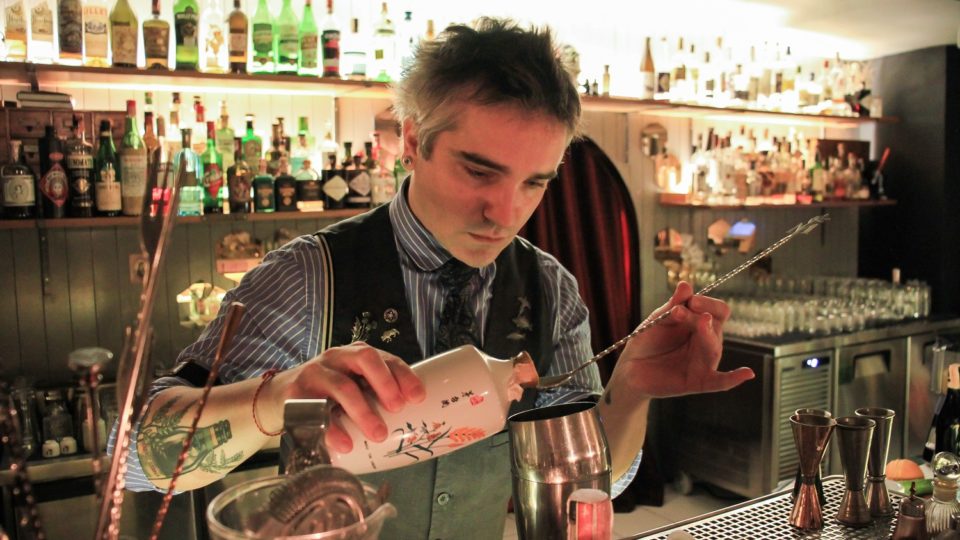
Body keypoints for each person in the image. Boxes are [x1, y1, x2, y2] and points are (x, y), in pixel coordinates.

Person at [113, 17, 755, 539]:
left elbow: (591, 482)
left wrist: (632, 388)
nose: (505, 213)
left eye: (534, 183)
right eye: (479, 171)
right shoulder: (309, 275)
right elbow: (137, 462)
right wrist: (280, 396)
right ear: (414, 143)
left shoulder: (549, 290)